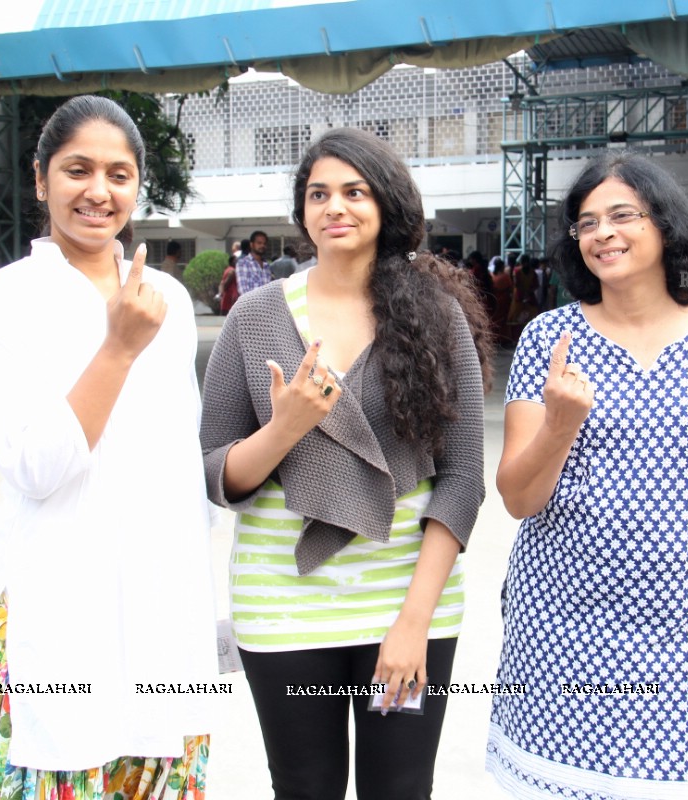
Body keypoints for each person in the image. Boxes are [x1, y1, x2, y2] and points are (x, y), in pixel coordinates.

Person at [488, 150, 688, 799]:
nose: (603, 232)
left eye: (622, 214)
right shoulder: (549, 340)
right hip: (562, 637)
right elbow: (517, 497)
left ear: (665, 223)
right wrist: (561, 422)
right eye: (587, 222)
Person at [200, 127, 492, 800]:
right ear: (302, 212)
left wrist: (413, 623)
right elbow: (217, 472)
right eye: (319, 193)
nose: (336, 206)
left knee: (400, 788)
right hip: (283, 600)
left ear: (385, 205)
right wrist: (285, 429)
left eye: (354, 192)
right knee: (305, 787)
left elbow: (463, 479)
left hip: (409, 600)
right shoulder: (254, 317)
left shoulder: (436, 316)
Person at [0, 95, 219, 800]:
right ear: (41, 180)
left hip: (163, 621)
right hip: (55, 616)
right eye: (78, 170)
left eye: (119, 174)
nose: (99, 192)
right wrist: (118, 347)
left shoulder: (163, 297)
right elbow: (38, 467)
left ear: (138, 187)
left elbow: (176, 475)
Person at [236, 230, 272, 295]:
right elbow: (243, 291)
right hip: (251, 304)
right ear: (252, 244)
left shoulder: (266, 265)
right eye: (259, 243)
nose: (262, 246)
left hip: (267, 304)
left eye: (264, 243)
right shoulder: (243, 263)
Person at [491, 257, 514, 346]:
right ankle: (503, 338)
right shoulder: (505, 277)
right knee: (503, 320)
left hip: (496, 299)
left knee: (495, 319)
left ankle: (495, 338)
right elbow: (510, 288)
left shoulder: (493, 276)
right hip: (504, 300)